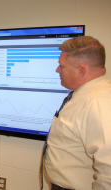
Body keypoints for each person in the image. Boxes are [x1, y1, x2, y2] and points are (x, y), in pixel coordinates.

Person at [44, 36, 111, 190]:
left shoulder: (97, 102)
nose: (57, 70)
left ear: (81, 70)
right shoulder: (86, 94)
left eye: (62, 66)